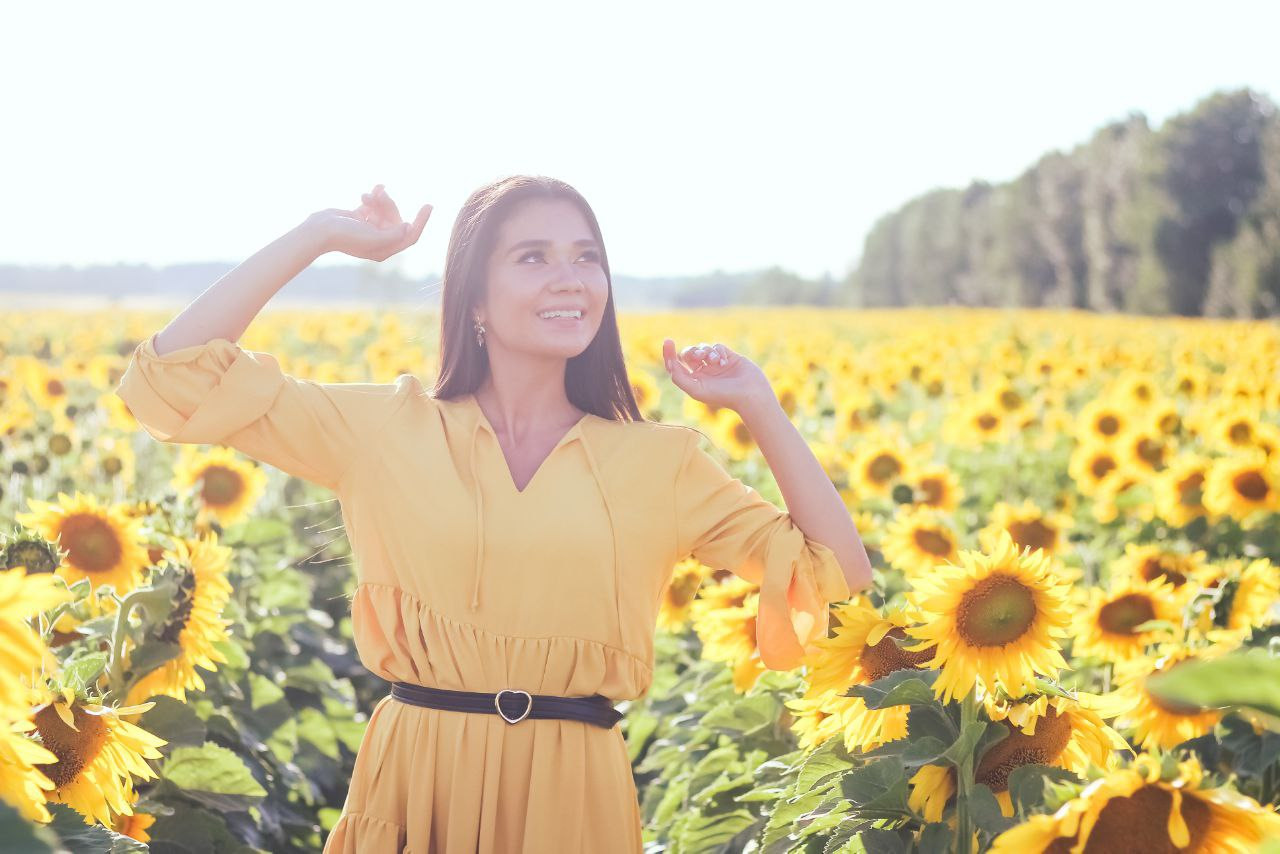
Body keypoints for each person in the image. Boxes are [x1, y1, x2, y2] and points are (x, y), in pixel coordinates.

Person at [114, 175, 873, 853]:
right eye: (534, 257)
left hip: (573, 796)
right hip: (415, 780)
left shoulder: (659, 462)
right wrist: (322, 234)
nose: (570, 279)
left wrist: (759, 406)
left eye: (585, 256)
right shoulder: (387, 429)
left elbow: (833, 573)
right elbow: (168, 379)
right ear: (474, 298)